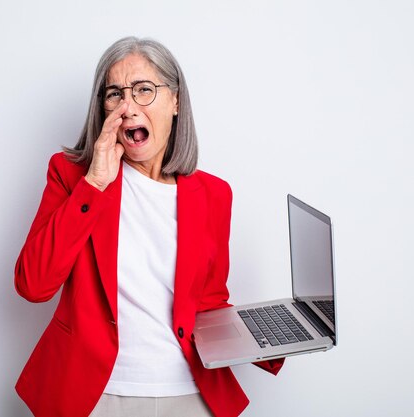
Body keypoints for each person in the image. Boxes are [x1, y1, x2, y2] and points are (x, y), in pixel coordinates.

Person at [14, 36, 284, 417]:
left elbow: (207, 303)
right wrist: (94, 183)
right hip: (94, 394)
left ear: (175, 101)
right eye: (114, 95)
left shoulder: (214, 194)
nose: (127, 108)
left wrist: (270, 338)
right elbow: (34, 284)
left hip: (191, 393)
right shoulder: (73, 176)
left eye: (143, 90)